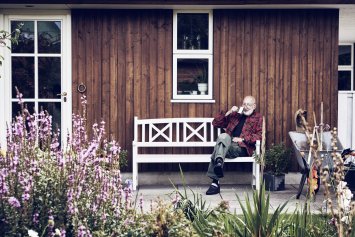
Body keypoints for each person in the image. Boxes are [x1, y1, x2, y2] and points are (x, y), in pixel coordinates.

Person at [206, 95, 263, 195]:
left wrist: (243, 139)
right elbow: (216, 123)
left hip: (242, 146)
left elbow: (259, 136)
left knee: (219, 147)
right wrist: (229, 112)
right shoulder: (235, 115)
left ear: (254, 106)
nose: (245, 107)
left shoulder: (258, 118)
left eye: (248, 105)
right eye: (244, 104)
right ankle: (219, 162)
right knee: (223, 136)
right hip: (227, 142)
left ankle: (215, 182)